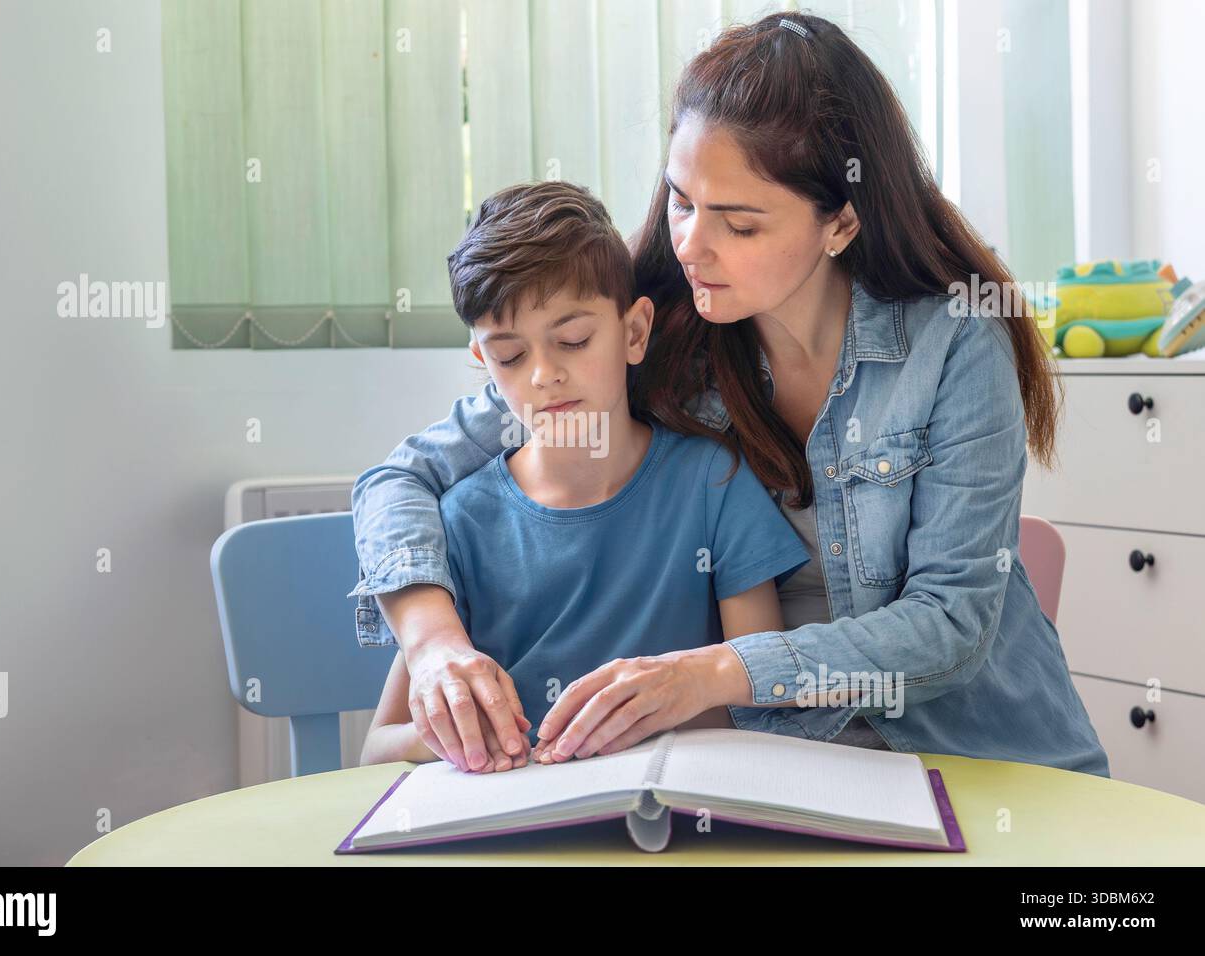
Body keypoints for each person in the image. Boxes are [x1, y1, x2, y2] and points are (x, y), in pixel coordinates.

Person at [349, 11, 1110, 778]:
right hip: (790, 761)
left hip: (982, 754)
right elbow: (401, 479)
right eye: (681, 201)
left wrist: (711, 673)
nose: (689, 247)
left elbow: (949, 624)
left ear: (840, 221)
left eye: (738, 224)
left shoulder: (954, 344)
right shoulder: (653, 332)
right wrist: (435, 643)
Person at [359, 180, 809, 769]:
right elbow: (375, 752)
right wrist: (462, 733)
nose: (544, 375)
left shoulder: (713, 484)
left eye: (573, 340)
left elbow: (761, 705)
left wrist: (650, 716)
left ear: (634, 332)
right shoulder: (461, 520)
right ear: (483, 362)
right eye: (511, 356)